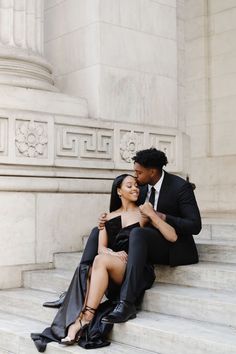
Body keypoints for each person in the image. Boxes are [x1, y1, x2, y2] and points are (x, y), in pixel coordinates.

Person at [43, 147, 202, 324]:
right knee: (98, 231)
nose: (135, 176)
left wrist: (160, 215)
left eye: (139, 172)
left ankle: (126, 303)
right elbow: (126, 214)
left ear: (152, 171)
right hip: (144, 239)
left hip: (174, 245)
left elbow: (195, 226)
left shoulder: (180, 187)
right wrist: (106, 223)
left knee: (139, 233)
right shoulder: (141, 187)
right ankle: (77, 290)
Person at [32, 173, 176, 351]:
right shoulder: (107, 217)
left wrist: (152, 215)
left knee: (100, 261)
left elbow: (172, 236)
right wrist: (113, 254)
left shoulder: (143, 213)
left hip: (135, 271)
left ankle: (83, 320)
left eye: (136, 186)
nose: (135, 188)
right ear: (119, 191)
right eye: (129, 186)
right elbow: (101, 248)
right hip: (113, 269)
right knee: (99, 260)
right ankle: (82, 318)